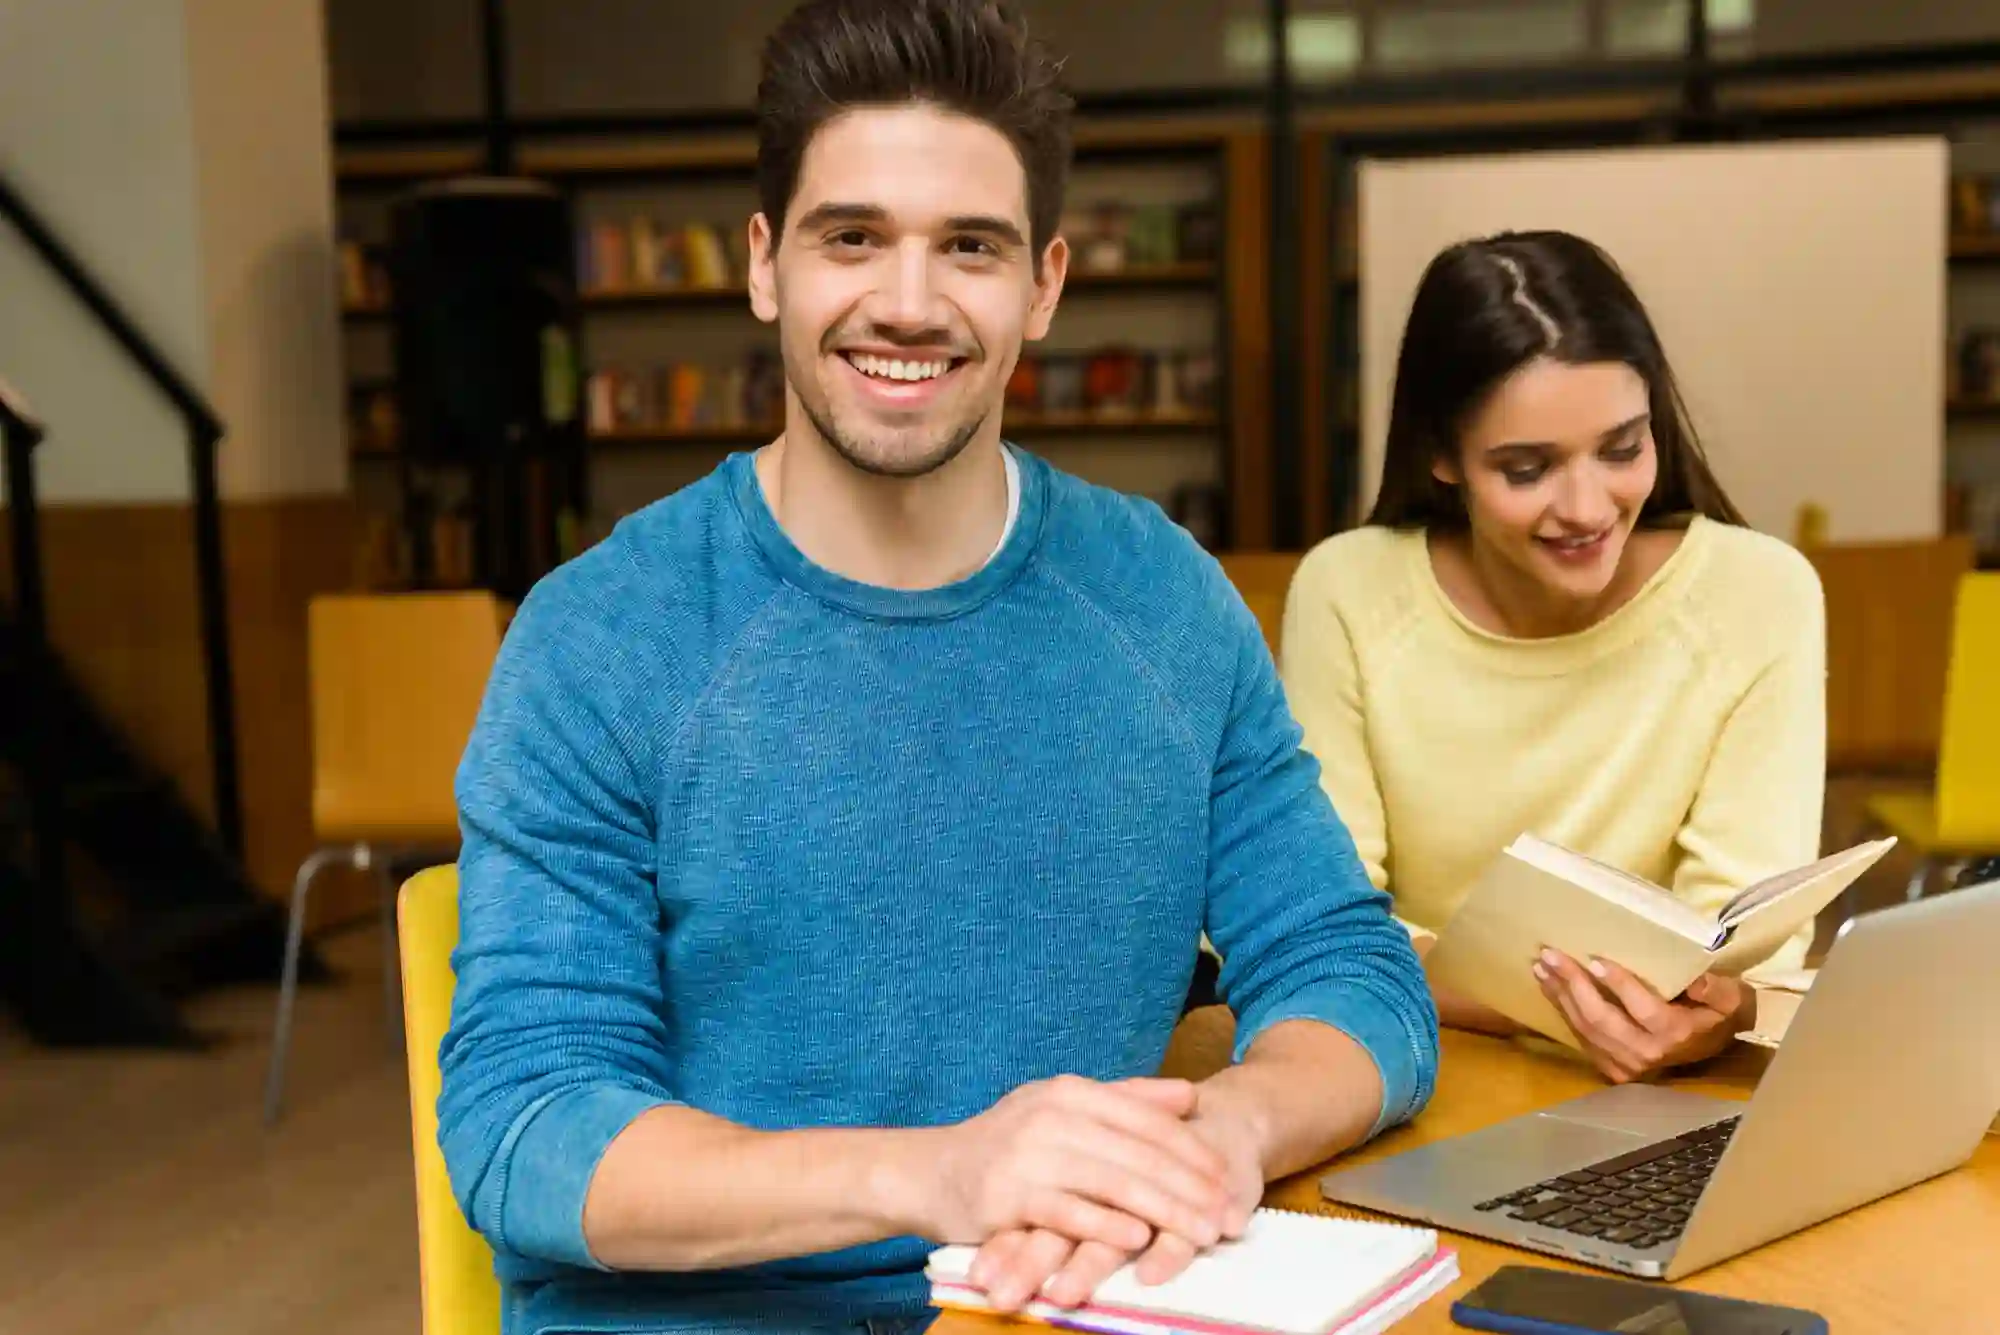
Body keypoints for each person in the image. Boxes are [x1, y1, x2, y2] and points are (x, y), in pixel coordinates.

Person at [435, 3, 1438, 1333]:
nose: (908, 304)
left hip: (1065, 1308)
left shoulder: (1164, 599)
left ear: (1045, 285)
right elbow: (526, 1125)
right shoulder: (601, 636)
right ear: (764, 265)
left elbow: (1348, 963)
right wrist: (942, 1172)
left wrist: (1223, 1136)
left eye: (969, 247)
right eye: (852, 237)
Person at [1279, 230, 1826, 1088]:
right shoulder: (1347, 591)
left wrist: (1702, 1013)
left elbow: (1748, 939)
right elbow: (1322, 923)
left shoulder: (1761, 594)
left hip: (1673, 1089)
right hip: (1418, 1062)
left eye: (1621, 449)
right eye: (1527, 468)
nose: (1587, 507)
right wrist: (1585, 1009)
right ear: (1440, 456)